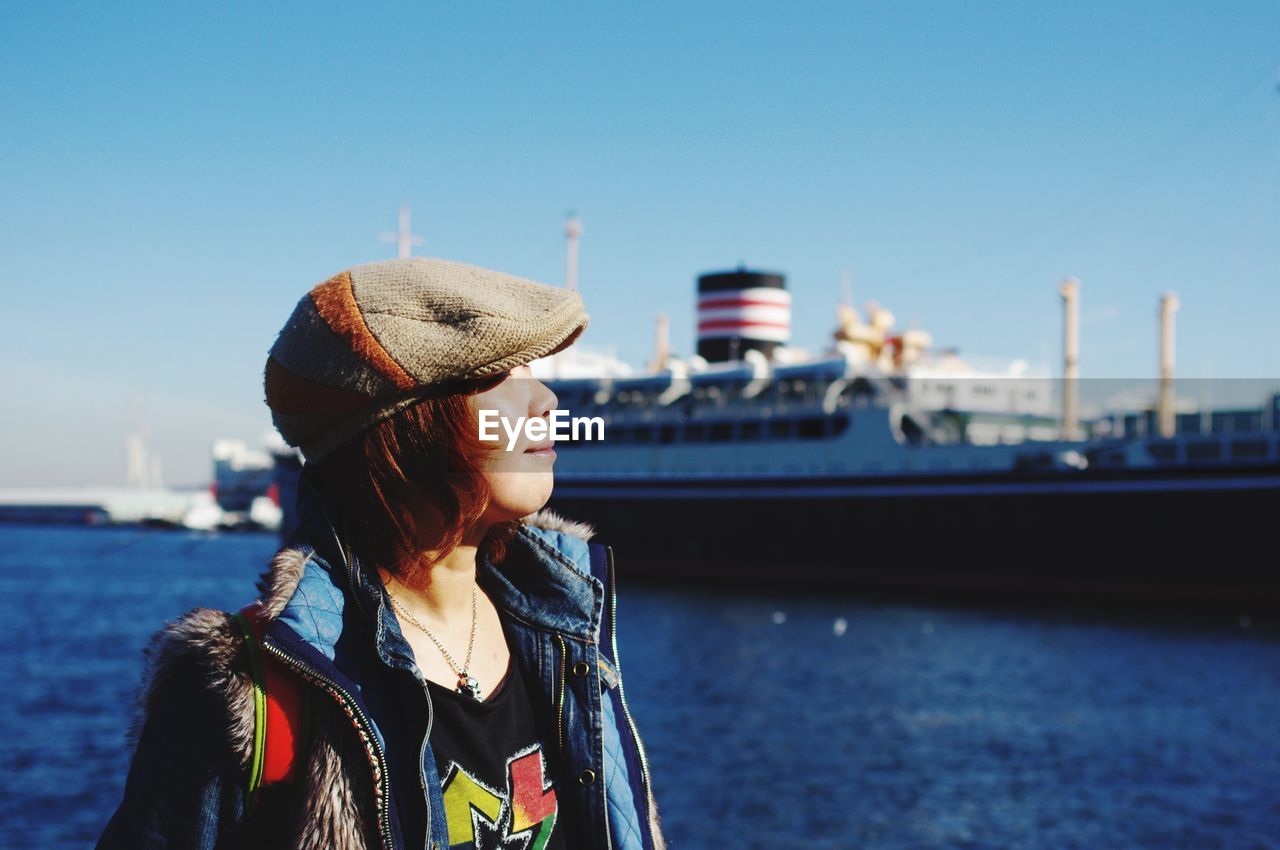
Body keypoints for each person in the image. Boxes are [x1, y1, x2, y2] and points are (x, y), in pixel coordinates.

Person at [97, 257, 664, 850]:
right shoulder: (247, 691)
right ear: (405, 422)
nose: (547, 400)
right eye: (503, 373)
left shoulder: (568, 630)